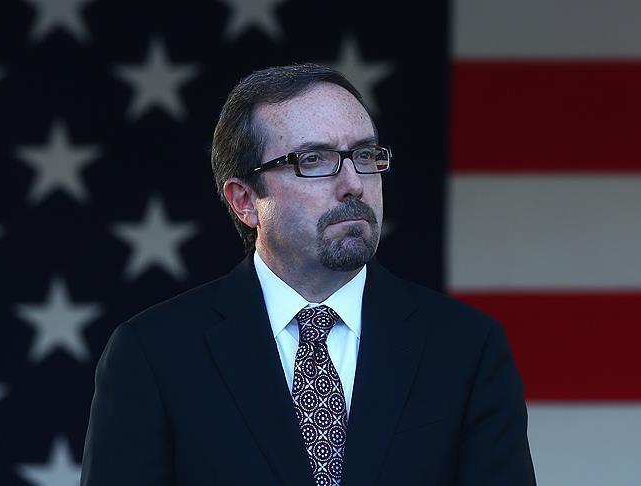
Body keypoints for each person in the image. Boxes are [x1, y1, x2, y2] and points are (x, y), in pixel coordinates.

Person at [81, 63, 535, 485]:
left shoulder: (466, 348)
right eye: (314, 160)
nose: (353, 184)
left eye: (364, 155)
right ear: (245, 201)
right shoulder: (152, 354)